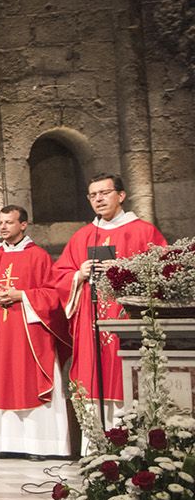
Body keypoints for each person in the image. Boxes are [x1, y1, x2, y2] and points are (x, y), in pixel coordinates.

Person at [53, 173, 167, 410]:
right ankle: (95, 442)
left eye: (105, 193)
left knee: (126, 376)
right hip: (90, 317)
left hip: (126, 316)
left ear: (121, 195)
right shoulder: (82, 236)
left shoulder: (143, 231)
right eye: (93, 195)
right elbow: (59, 276)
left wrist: (126, 272)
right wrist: (79, 274)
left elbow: (163, 272)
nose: (99, 199)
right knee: (93, 376)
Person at [0, 206, 71, 458]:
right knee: (3, 380)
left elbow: (53, 295)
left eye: (9, 222)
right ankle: (5, 444)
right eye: (1, 222)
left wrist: (21, 295)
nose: (3, 227)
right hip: (1, 335)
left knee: (30, 381)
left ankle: (39, 445)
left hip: (30, 334)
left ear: (23, 225)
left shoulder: (39, 257)